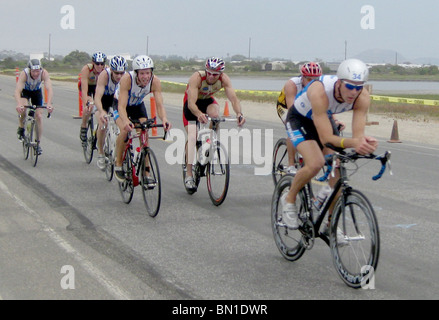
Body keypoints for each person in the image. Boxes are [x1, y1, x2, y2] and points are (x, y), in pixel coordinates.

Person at [281, 58, 377, 234]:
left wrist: (363, 144)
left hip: (323, 118)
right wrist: (355, 142)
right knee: (315, 163)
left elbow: (357, 137)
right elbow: (326, 138)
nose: (353, 92)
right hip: (300, 119)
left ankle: (331, 225)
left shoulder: (362, 97)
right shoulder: (320, 90)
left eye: (358, 87)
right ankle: (289, 199)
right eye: (349, 86)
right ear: (339, 82)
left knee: (337, 170)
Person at [183, 57, 246, 191]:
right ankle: (189, 173)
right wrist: (199, 114)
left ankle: (210, 141)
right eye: (209, 73)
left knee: (215, 115)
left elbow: (234, 99)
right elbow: (191, 104)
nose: (211, 77)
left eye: (215, 74)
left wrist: (239, 114)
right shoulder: (197, 78)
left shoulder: (224, 79)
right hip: (192, 104)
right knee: (193, 137)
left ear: (220, 74)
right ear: (206, 70)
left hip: (207, 100)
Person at [113, 55, 171, 183]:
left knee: (144, 133)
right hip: (120, 104)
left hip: (137, 105)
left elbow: (159, 105)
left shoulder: (155, 81)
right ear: (136, 73)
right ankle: (118, 164)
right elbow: (122, 107)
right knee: (124, 130)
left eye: (148, 73)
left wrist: (165, 119)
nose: (145, 76)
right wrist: (126, 121)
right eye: (142, 73)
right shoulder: (127, 79)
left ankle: (146, 173)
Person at [276, 62, 323, 173]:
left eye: (315, 79)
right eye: (309, 79)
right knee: (293, 128)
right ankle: (291, 164)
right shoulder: (292, 84)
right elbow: (293, 111)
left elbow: (326, 106)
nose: (312, 82)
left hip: (305, 107)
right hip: (286, 107)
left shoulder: (322, 86)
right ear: (302, 77)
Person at [94, 55, 128, 170]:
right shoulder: (104, 75)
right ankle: (101, 153)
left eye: (121, 73)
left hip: (117, 100)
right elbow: (97, 98)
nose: (119, 76)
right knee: (103, 123)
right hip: (104, 99)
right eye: (116, 73)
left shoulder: (127, 77)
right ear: (111, 71)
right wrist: (102, 112)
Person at [15, 58, 54, 155]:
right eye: (33, 71)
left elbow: (49, 89)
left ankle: (37, 144)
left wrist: (49, 103)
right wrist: (19, 103)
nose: (36, 74)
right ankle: (21, 127)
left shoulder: (44, 73)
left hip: (36, 92)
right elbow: (17, 91)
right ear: (29, 70)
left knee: (39, 117)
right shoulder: (24, 74)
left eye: (38, 71)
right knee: (23, 109)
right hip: (25, 92)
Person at [79, 51, 107, 144]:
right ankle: (84, 126)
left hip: (98, 88)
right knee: (89, 107)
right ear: (93, 63)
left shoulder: (106, 70)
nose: (99, 66)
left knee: (102, 108)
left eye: (102, 64)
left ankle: (99, 130)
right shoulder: (86, 69)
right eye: (97, 64)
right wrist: (86, 104)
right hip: (87, 87)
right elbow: (84, 90)